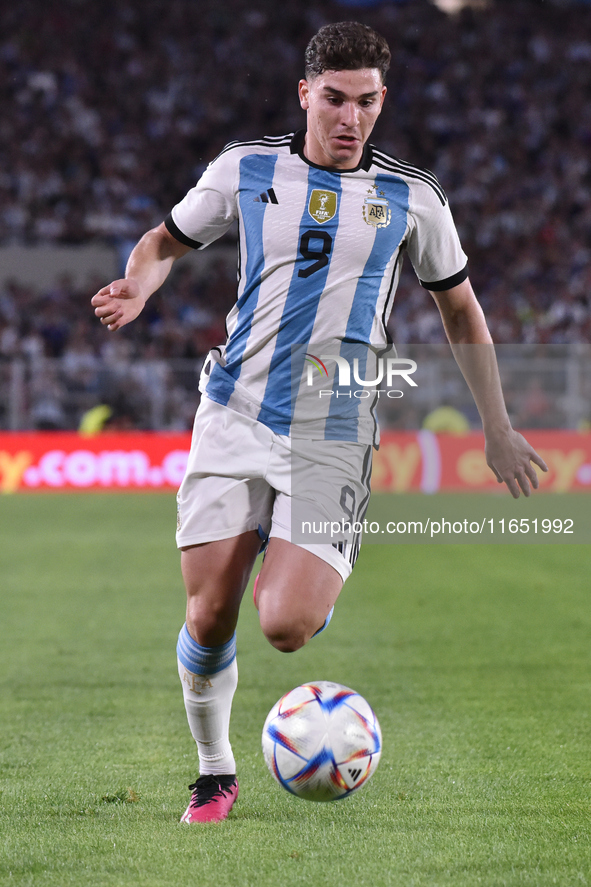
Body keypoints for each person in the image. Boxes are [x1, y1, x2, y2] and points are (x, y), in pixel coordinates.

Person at [91, 21, 547, 823]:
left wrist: (496, 426)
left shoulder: (414, 198)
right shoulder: (245, 169)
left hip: (333, 424)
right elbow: (163, 242)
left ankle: (304, 561)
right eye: (334, 99)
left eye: (366, 102)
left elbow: (463, 313)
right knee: (207, 614)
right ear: (305, 93)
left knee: (287, 625)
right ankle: (214, 769)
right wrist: (140, 284)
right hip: (233, 411)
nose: (350, 118)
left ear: (382, 100)